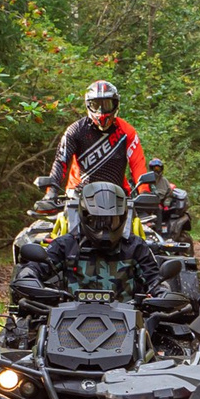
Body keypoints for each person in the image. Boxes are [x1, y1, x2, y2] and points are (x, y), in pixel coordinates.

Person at [17, 182, 159, 303]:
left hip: (129, 325)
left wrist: (162, 292)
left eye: (112, 221)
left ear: (122, 218)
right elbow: (35, 267)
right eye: (97, 221)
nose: (105, 229)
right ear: (84, 217)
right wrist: (28, 278)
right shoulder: (66, 245)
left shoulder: (135, 247)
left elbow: (155, 279)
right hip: (67, 323)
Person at [47, 79, 147, 194]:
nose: (101, 111)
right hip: (77, 195)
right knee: (52, 210)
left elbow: (137, 164)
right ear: (88, 105)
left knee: (146, 211)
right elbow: (61, 161)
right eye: (96, 105)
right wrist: (51, 192)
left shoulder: (126, 131)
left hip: (118, 195)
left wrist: (144, 192)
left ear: (115, 104)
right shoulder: (76, 130)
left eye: (107, 105)